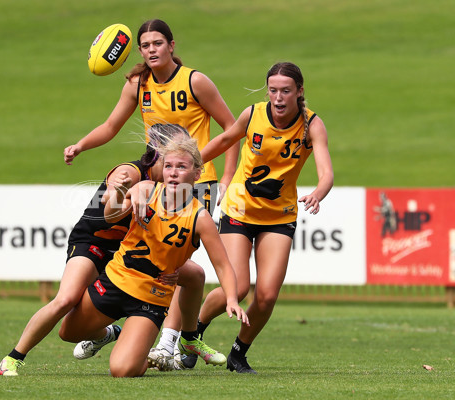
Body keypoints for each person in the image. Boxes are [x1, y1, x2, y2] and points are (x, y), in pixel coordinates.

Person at [64, 18, 240, 370]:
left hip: (197, 183)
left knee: (173, 266)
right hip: (157, 179)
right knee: (164, 263)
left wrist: (229, 178)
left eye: (158, 43)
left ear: (172, 46)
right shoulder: (137, 82)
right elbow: (112, 125)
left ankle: (168, 343)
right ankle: (134, 330)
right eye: (145, 45)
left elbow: (230, 127)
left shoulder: (195, 81)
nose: (152, 49)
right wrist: (81, 145)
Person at [0, 124, 215, 376]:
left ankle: (184, 340)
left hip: (129, 252)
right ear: (158, 151)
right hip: (96, 242)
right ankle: (14, 358)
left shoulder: (174, 184)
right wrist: (123, 192)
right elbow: (107, 209)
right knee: (66, 299)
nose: (183, 153)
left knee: (195, 274)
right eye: (176, 148)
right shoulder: (132, 172)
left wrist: (174, 267)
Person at [57, 135, 248, 378]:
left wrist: (231, 298)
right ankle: (118, 335)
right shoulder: (146, 189)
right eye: (168, 166)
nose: (174, 173)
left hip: (151, 298)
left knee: (122, 370)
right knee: (67, 333)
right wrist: (124, 192)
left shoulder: (201, 218)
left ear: (197, 173)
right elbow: (110, 215)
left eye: (182, 167)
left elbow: (222, 265)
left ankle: (159, 346)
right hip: (117, 282)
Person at [196, 62, 334, 374]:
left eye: (286, 91)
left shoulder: (312, 125)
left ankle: (238, 353)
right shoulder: (253, 114)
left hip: (279, 216)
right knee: (239, 286)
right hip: (240, 210)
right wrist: (190, 161)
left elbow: (326, 173)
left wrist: (317, 193)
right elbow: (224, 140)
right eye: (273, 90)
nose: (279, 97)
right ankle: (194, 330)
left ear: (299, 92)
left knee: (268, 295)